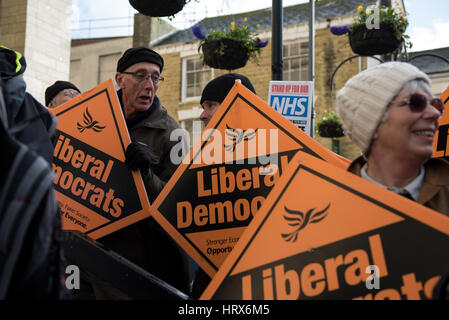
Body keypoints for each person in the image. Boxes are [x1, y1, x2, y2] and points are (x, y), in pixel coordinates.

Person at [91, 47, 193, 298]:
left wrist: (144, 173)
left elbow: (177, 206)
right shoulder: (92, 115)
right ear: (119, 79)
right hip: (87, 253)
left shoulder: (173, 134)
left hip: (140, 263)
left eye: (155, 77)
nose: (149, 85)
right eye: (140, 75)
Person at [336, 61, 449, 216]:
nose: (435, 114)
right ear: (372, 124)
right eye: (416, 103)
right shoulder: (330, 208)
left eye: (436, 104)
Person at [192, 72, 256, 299]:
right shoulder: (202, 160)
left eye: (210, 105)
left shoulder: (274, 158)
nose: (203, 115)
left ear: (234, 106)